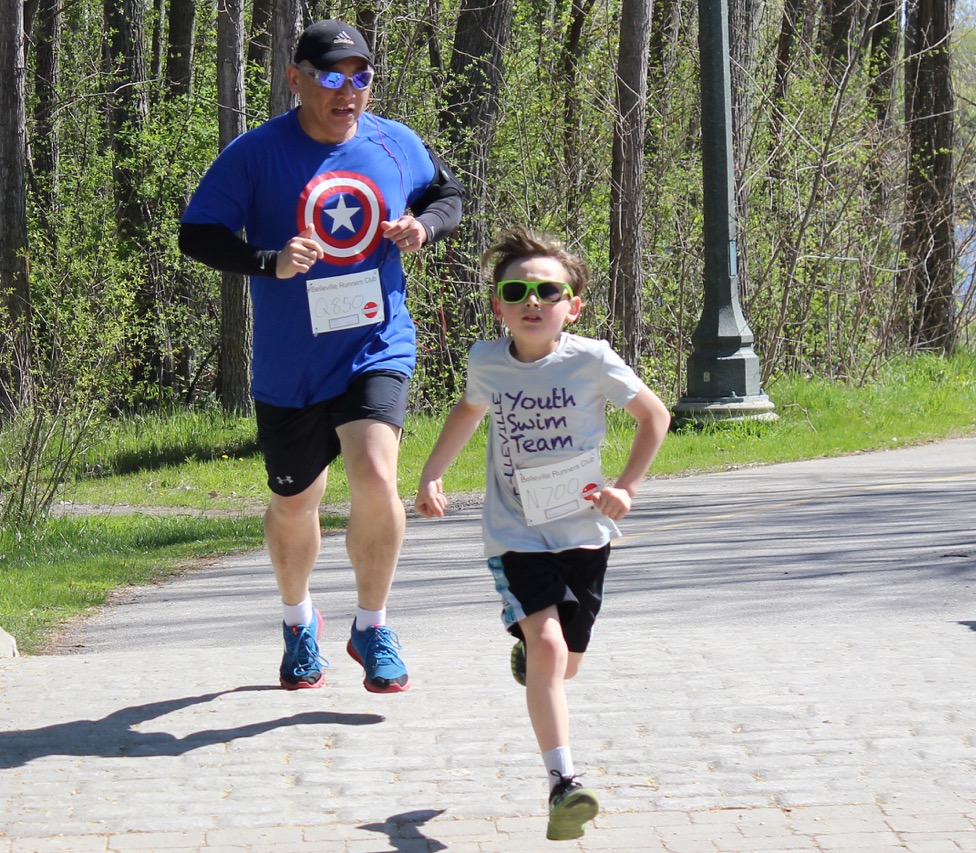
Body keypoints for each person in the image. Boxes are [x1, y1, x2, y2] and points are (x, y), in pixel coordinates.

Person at [178, 19, 464, 693]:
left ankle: (372, 624)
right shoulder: (256, 153)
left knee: (376, 474)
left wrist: (423, 226)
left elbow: (447, 195)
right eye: (331, 76)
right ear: (296, 79)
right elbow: (197, 233)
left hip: (375, 342)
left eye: (360, 76)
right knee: (295, 502)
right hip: (291, 363)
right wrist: (268, 261)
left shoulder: (395, 143)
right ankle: (298, 619)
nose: (347, 91)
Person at [414, 226, 670, 840]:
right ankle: (564, 784)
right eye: (517, 291)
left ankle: (532, 655)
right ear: (498, 306)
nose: (532, 301)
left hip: (585, 533)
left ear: (571, 306)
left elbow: (654, 416)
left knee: (563, 664)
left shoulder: (592, 359)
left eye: (548, 291)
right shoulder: (487, 361)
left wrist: (626, 488)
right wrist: (431, 474)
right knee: (550, 650)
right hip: (515, 534)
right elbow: (469, 411)